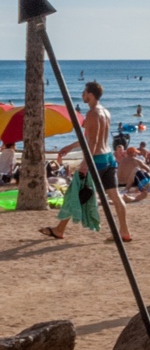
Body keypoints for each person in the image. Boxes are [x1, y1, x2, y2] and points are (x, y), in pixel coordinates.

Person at [41, 80, 132, 242]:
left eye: (84, 93)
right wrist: (70, 146)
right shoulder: (105, 112)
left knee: (74, 193)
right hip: (109, 158)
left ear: (90, 95)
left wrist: (84, 165)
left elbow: (93, 142)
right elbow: (90, 137)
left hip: (96, 160)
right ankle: (124, 231)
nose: (82, 95)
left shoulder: (92, 113)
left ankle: (59, 229)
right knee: (115, 196)